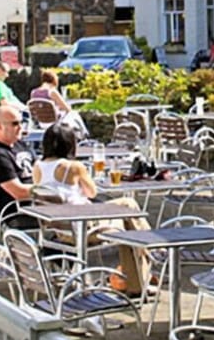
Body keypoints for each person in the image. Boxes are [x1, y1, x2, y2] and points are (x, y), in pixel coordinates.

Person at [32, 123, 152, 295]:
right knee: (129, 217)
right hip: (83, 228)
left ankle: (141, 274)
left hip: (59, 229)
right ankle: (151, 255)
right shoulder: (73, 167)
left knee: (128, 208)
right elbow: (92, 192)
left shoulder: (38, 167)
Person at [0, 105, 37, 229]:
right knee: (71, 217)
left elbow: (39, 169)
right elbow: (19, 192)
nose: (20, 127)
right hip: (19, 212)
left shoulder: (19, 144)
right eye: (15, 124)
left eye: (21, 122)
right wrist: (51, 191)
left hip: (39, 205)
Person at [30, 69, 89, 136]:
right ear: (54, 80)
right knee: (74, 113)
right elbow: (67, 109)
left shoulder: (33, 92)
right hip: (54, 122)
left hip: (40, 122)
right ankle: (85, 134)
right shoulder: (52, 92)